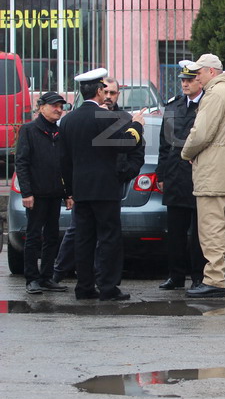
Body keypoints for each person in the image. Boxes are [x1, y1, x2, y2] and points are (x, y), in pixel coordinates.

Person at [59, 68, 146, 301]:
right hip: (105, 188)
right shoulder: (103, 118)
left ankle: (84, 287)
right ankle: (108, 288)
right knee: (108, 238)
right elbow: (126, 145)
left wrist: (69, 190)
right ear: (99, 91)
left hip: (81, 189)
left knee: (83, 239)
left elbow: (64, 161)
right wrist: (137, 124)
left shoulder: (67, 120)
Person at [181, 54, 225, 298]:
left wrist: (186, 152)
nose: (196, 76)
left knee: (211, 228)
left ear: (211, 71)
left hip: (213, 168)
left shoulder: (215, 94)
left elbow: (201, 133)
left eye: (199, 72)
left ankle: (214, 279)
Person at [156, 61, 206, 290]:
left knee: (199, 233)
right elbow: (164, 144)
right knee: (175, 232)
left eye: (189, 80)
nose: (185, 84)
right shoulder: (173, 106)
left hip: (199, 174)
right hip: (176, 175)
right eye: (182, 80)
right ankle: (175, 276)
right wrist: (161, 175)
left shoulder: (208, 104)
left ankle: (198, 276)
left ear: (199, 80)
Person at [15, 91, 71, 294]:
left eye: (61, 106)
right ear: (41, 107)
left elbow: (65, 164)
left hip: (55, 193)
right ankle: (32, 278)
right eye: (54, 106)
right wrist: (26, 192)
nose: (58, 110)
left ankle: (47, 277)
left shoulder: (59, 132)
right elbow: (21, 163)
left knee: (52, 236)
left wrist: (68, 193)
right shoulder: (29, 130)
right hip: (36, 194)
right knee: (33, 236)